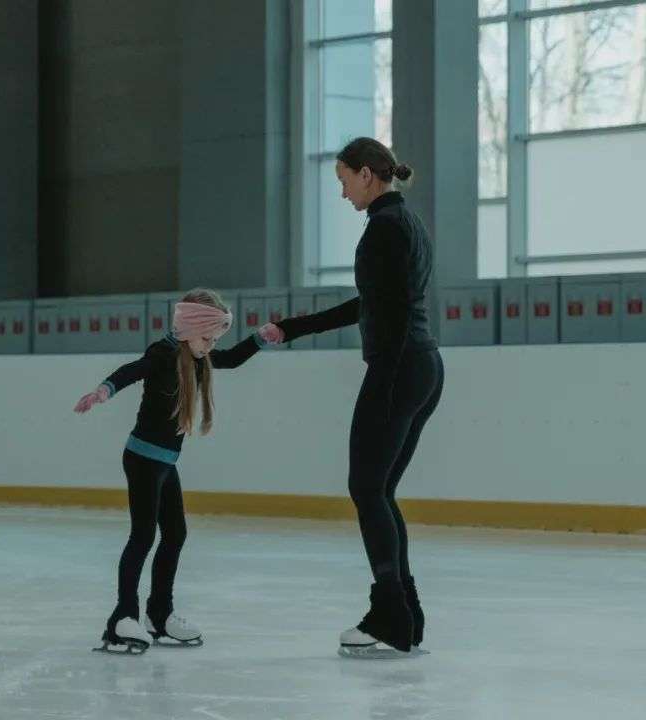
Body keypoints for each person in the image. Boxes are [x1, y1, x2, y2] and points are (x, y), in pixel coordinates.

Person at [262, 137, 445, 657]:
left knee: (367, 489)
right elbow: (372, 303)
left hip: (398, 368)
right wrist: (294, 328)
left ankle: (391, 616)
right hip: (422, 366)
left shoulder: (385, 227)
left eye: (344, 181)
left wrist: (382, 377)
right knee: (378, 491)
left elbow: (383, 310)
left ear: (367, 174)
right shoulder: (405, 222)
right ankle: (406, 615)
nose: (343, 194)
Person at [75, 288, 268, 654]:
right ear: (189, 329)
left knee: (175, 534)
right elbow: (132, 370)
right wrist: (104, 391)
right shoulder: (163, 353)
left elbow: (230, 359)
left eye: (215, 339)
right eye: (207, 338)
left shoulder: (197, 357)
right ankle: (122, 619)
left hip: (164, 462)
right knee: (143, 536)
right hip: (143, 459)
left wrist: (260, 338)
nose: (211, 346)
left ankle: (159, 614)